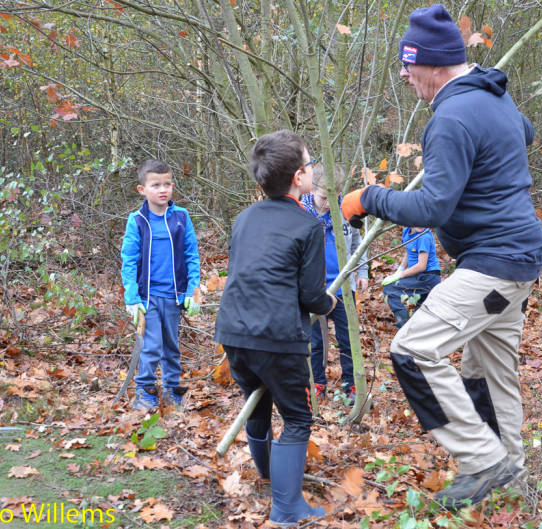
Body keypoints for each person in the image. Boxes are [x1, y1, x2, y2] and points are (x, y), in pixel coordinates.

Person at [340, 4, 542, 509]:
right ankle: (513, 486)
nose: (406, 77)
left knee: (412, 349)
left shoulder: (452, 116)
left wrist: (368, 198)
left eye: (408, 67)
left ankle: (482, 460)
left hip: (495, 261)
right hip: (515, 257)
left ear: (431, 63)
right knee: (488, 372)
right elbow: (526, 132)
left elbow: (431, 207)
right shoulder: (492, 96)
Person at [214, 130, 337, 527]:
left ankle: (271, 480)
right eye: (311, 162)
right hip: (278, 338)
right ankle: (286, 508)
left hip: (234, 332)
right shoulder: (308, 227)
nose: (315, 168)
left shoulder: (244, 218)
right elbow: (311, 296)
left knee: (258, 406)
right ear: (300, 177)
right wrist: (329, 303)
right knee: (298, 418)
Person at [121, 159, 201, 412]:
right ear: (142, 189)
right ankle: (145, 390)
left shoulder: (181, 217)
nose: (162, 189)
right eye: (155, 185)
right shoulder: (137, 220)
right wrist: (132, 298)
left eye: (167, 184)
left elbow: (192, 255)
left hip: (174, 296)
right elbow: (129, 262)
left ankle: (172, 390)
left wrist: (193, 290)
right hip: (148, 297)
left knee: (171, 345)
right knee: (151, 344)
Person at [301, 163, 368, 403]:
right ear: (312, 191)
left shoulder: (345, 212)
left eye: (334, 197)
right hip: (314, 288)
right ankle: (317, 383)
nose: (328, 202)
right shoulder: (302, 213)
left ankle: (351, 385)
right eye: (323, 197)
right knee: (315, 342)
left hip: (342, 286)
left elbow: (359, 244)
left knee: (348, 339)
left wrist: (362, 272)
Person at [381, 226, 441, 329]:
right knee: (420, 313)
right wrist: (400, 269)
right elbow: (409, 251)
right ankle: (416, 336)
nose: (420, 224)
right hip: (419, 276)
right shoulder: (406, 231)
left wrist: (399, 276)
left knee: (390, 289)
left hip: (428, 277)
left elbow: (421, 266)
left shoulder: (424, 237)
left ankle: (403, 327)